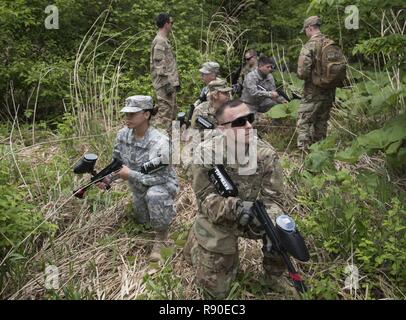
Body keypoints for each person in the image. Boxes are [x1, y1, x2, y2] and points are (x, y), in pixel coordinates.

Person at [183, 99, 293, 299]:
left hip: (253, 214)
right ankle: (196, 242)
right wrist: (238, 208)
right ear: (222, 129)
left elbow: (275, 199)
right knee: (216, 293)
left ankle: (273, 277)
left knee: (281, 226)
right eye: (239, 122)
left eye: (250, 118)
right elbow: (205, 201)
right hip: (219, 217)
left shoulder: (265, 154)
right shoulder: (207, 152)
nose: (249, 126)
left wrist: (266, 219)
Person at [99, 95, 179, 262]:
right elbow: (117, 164)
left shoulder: (160, 142)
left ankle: (162, 239)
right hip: (138, 187)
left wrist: (130, 175)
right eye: (126, 114)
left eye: (132, 114)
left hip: (162, 185)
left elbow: (161, 178)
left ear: (146, 115)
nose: (127, 118)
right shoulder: (122, 136)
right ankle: (162, 214)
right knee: (143, 222)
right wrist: (107, 179)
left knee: (155, 196)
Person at [296, 16, 337, 151]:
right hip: (330, 90)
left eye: (305, 30)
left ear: (309, 28)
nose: (305, 33)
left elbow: (302, 73)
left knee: (304, 122)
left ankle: (303, 152)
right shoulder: (330, 43)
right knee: (321, 121)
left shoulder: (309, 46)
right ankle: (320, 150)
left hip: (313, 92)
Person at [150, 13, 180, 131]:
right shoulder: (160, 41)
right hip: (164, 85)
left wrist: (175, 83)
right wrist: (167, 85)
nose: (172, 25)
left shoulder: (164, 40)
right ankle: (158, 144)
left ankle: (169, 144)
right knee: (164, 117)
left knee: (172, 113)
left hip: (169, 84)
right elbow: (159, 66)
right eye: (171, 23)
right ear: (166, 23)